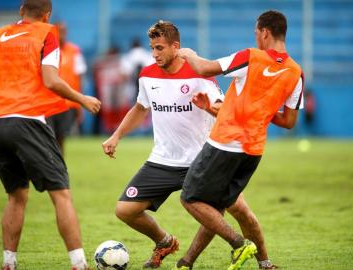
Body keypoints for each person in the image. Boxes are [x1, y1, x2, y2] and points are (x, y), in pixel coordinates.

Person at [102, 20, 277, 270]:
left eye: (160, 48)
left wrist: (208, 106)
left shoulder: (201, 74)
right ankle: (164, 242)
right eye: (152, 48)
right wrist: (116, 136)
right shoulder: (147, 74)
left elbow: (224, 110)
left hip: (203, 159)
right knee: (125, 210)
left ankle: (264, 262)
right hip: (162, 160)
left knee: (238, 210)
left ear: (177, 47)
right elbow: (141, 108)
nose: (155, 54)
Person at [0, 1, 101, 269]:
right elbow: (51, 80)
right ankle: (79, 264)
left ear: (21, 10)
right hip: (28, 121)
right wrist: (82, 99)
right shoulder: (47, 33)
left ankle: (8, 263)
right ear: (47, 15)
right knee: (61, 194)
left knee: (16, 196)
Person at [177, 10, 304, 270]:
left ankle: (239, 244)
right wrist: (260, 110)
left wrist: (187, 54)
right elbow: (289, 122)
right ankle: (188, 262)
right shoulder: (296, 72)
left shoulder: (251, 57)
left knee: (189, 198)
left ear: (265, 32)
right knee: (219, 207)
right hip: (253, 151)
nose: (256, 38)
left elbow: (203, 68)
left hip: (224, 144)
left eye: (256, 33)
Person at [46, 21, 87, 155]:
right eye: (59, 31)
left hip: (68, 103)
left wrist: (80, 103)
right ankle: (50, 165)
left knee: (61, 137)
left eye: (63, 31)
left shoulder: (74, 51)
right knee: (48, 137)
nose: (61, 34)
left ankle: (59, 165)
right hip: (49, 101)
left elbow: (79, 78)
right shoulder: (47, 51)